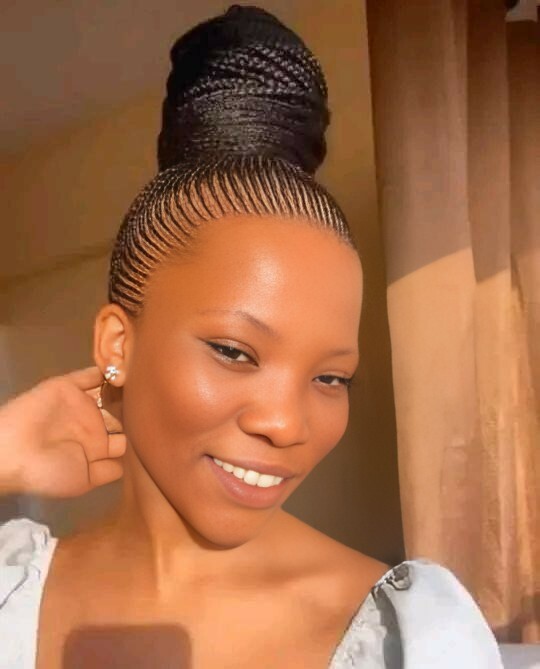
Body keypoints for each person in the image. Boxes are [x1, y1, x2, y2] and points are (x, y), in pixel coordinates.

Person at [0, 6, 504, 668]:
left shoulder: (410, 637)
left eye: (330, 377)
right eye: (235, 352)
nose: (287, 424)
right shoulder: (13, 586)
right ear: (118, 345)